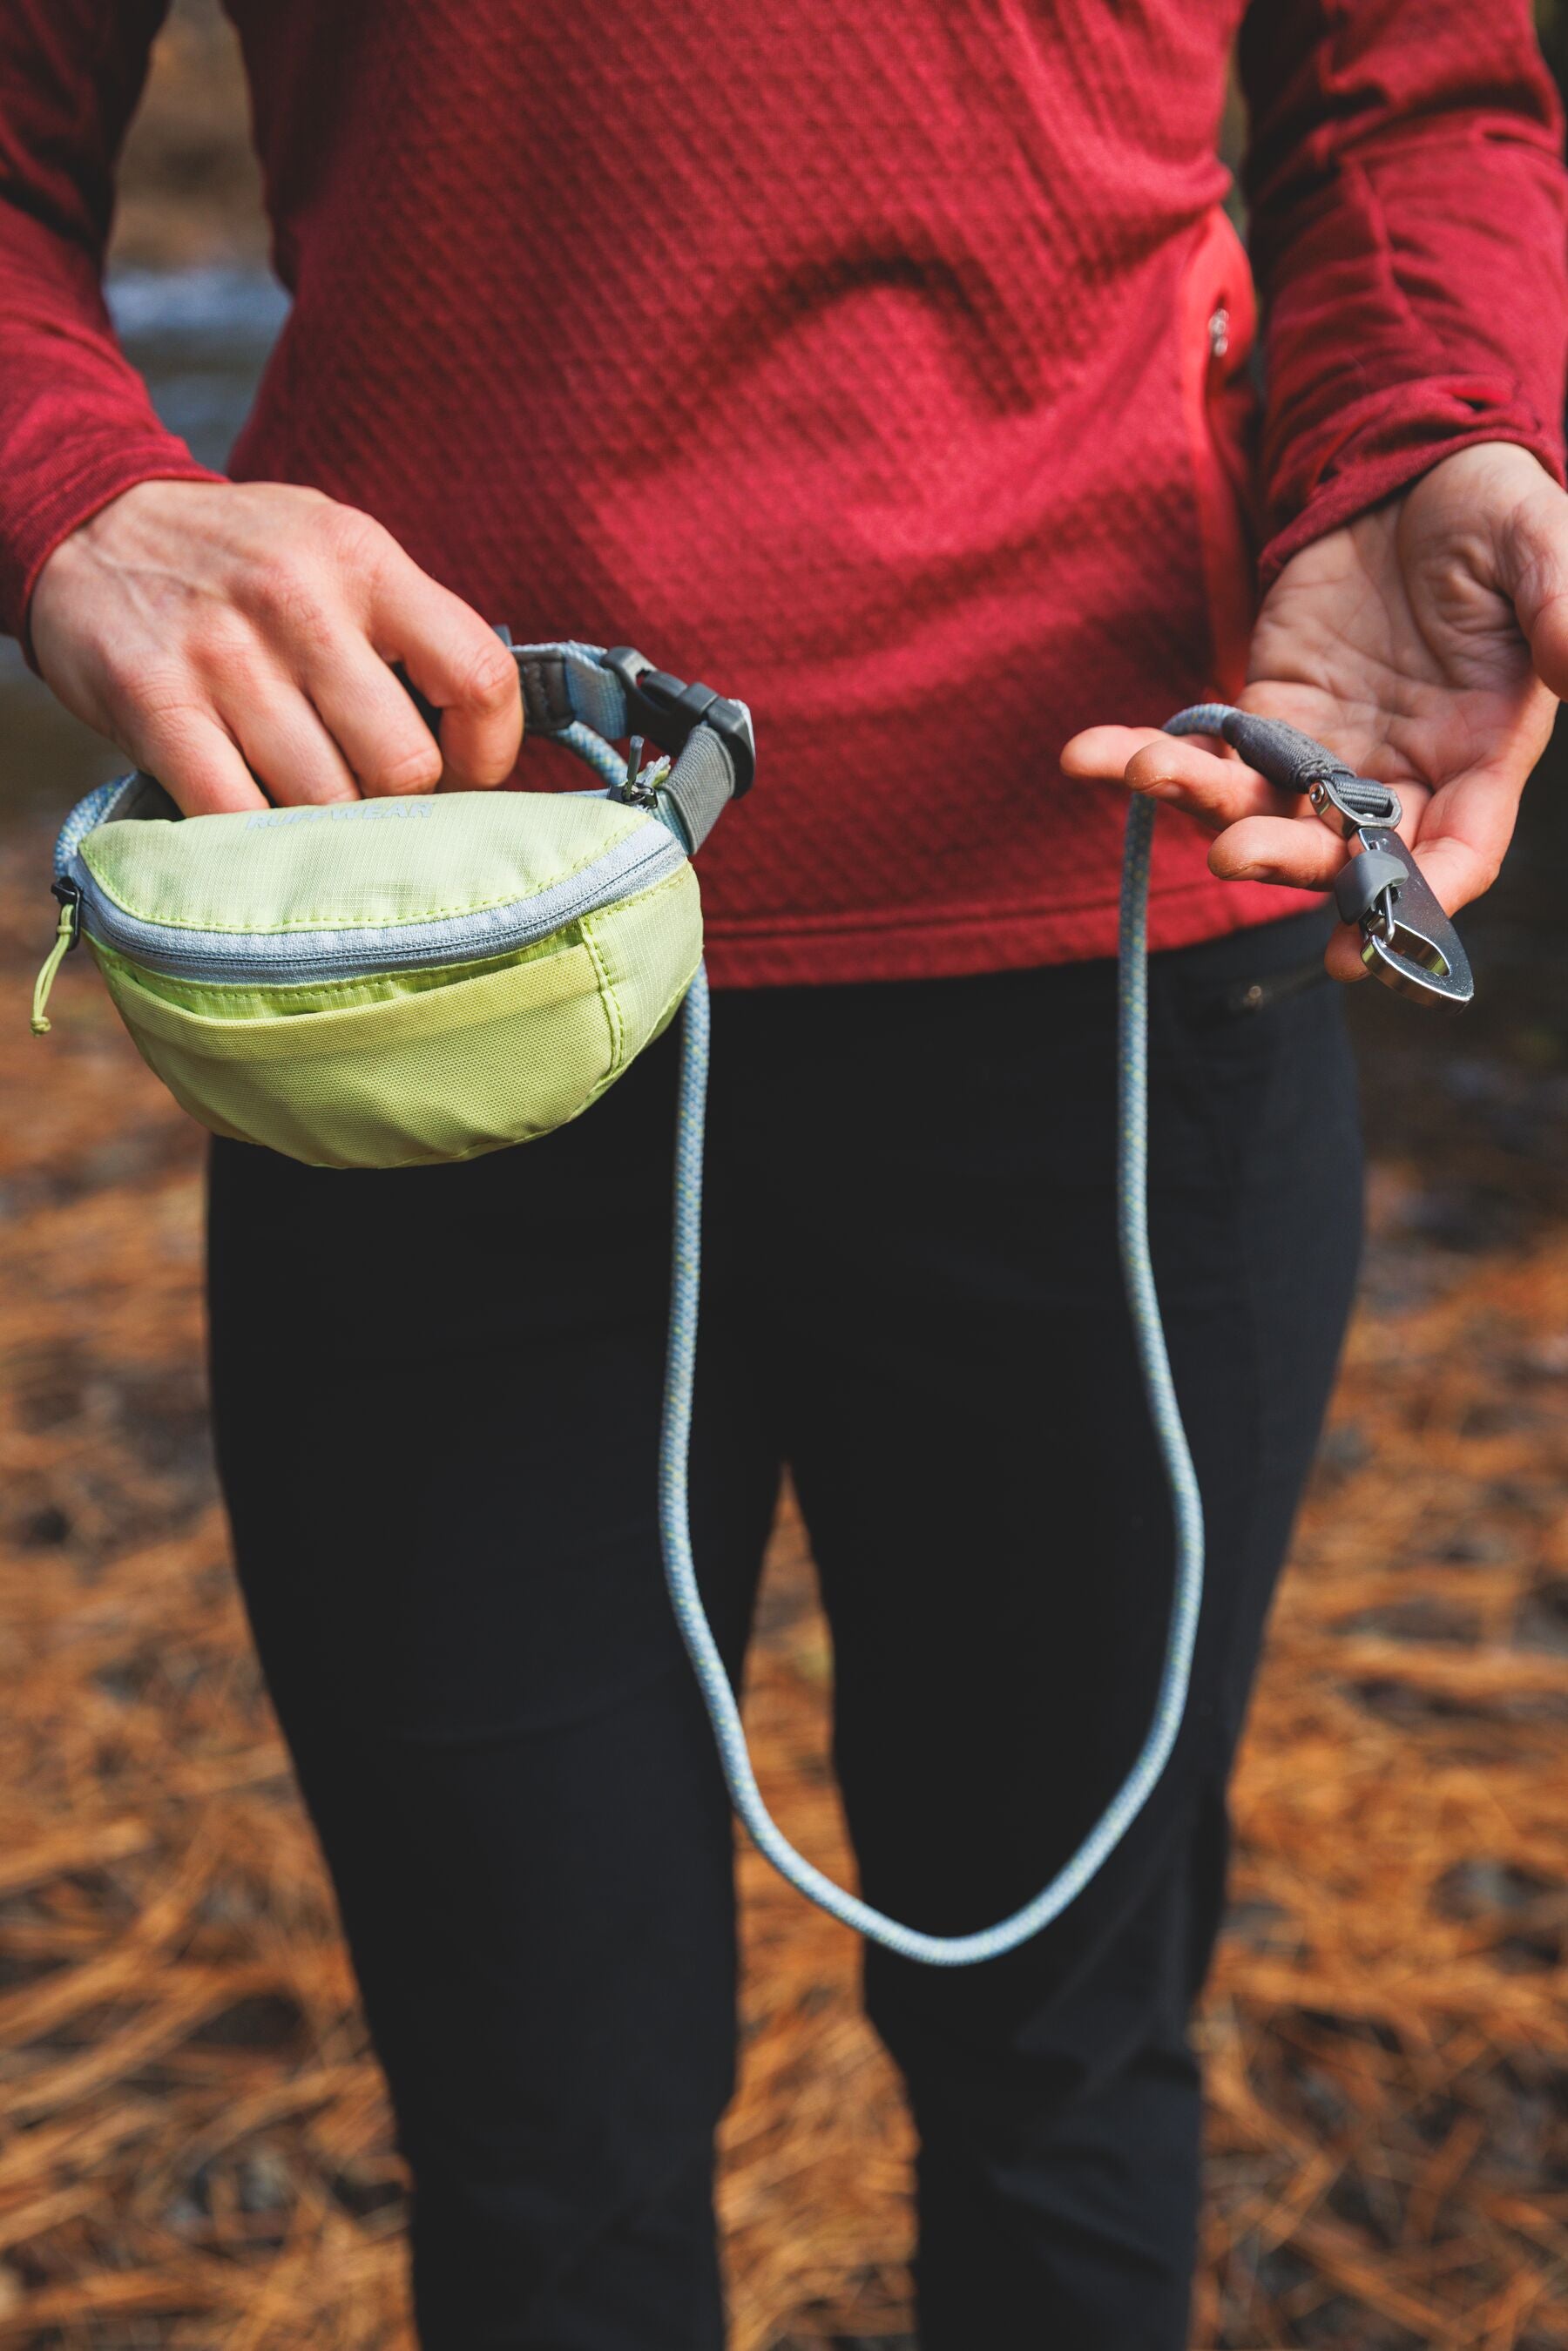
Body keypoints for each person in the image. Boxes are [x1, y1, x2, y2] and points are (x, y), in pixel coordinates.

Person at [3, 3, 1566, 2345]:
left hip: (1123, 968)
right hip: (447, 988)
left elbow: (1414, 81)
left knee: (1067, 2080)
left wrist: (1426, 427)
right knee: (540, 2145)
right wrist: (70, 492)